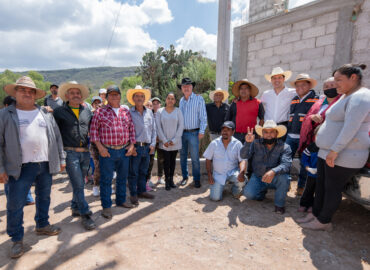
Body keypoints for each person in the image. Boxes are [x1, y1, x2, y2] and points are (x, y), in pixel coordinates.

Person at [298, 64, 370, 231]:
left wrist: (335, 150)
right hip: (327, 152)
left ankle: (324, 221)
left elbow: (350, 128)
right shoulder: (346, 95)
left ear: (353, 78)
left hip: (343, 154)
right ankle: (316, 214)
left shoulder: (361, 97)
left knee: (332, 188)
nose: (336, 84)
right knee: (321, 185)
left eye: (339, 80)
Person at [0, 76, 64, 258]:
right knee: (15, 204)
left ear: (36, 95)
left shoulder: (45, 113)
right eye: (23, 90)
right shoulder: (5, 115)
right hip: (19, 167)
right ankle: (16, 239)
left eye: (31, 91)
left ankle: (42, 224)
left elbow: (57, 137)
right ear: (15, 93)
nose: (27, 93)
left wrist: (61, 158)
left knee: (44, 197)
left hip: (44, 164)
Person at [53, 81, 96, 230]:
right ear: (66, 96)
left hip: (85, 152)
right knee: (78, 183)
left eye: (78, 93)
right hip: (69, 153)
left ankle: (74, 206)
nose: (75, 95)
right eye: (72, 93)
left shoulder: (86, 111)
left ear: (81, 96)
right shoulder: (58, 112)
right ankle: (85, 214)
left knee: (80, 183)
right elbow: (54, 134)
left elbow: (92, 128)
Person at [90, 85, 136, 218]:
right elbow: (93, 132)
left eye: (116, 94)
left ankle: (121, 200)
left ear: (120, 96)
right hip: (107, 151)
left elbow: (131, 129)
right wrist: (100, 148)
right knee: (106, 179)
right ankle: (106, 206)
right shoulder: (100, 112)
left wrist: (132, 145)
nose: (114, 97)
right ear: (107, 97)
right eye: (111, 95)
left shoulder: (125, 111)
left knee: (122, 178)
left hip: (124, 151)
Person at [240, 120, 292, 214]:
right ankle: (261, 193)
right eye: (266, 132)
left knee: (284, 178)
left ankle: (279, 205)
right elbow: (244, 156)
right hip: (258, 177)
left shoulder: (285, 147)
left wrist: (273, 171)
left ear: (277, 133)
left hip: (275, 177)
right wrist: (247, 143)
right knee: (249, 194)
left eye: (272, 132)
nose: (269, 135)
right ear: (262, 134)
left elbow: (286, 164)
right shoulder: (255, 143)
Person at [286, 74, 319, 196]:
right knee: (286, 159)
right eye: (298, 85)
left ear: (309, 85)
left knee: (304, 161)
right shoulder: (294, 99)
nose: (300, 87)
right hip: (291, 135)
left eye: (303, 85)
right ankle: (287, 182)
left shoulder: (316, 99)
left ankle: (301, 186)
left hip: (305, 137)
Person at [2, 96, 35, 205]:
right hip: (9, 157)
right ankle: (12, 201)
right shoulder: (3, 116)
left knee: (24, 178)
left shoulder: (19, 115)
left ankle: (27, 199)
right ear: (7, 106)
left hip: (22, 155)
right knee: (10, 181)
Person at [127, 85, 156, 205]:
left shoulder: (149, 112)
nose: (139, 98)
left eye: (141, 96)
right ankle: (133, 194)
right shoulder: (129, 113)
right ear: (133, 98)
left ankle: (142, 191)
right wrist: (131, 146)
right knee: (133, 172)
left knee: (144, 171)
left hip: (147, 146)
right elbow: (126, 130)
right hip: (136, 147)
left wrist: (153, 144)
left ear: (144, 99)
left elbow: (154, 130)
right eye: (137, 96)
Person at [203, 121, 246, 201]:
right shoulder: (214, 143)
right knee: (215, 198)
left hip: (232, 172)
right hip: (219, 175)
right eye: (223, 130)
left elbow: (242, 160)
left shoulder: (238, 144)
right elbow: (208, 159)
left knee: (242, 180)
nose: (225, 132)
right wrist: (209, 175)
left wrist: (242, 172)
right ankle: (219, 187)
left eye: (228, 130)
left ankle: (235, 189)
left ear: (233, 132)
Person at [298, 77, 341, 154]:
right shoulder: (318, 103)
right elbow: (307, 117)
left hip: (332, 143)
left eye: (332, 85)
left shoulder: (342, 102)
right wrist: (312, 117)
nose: (329, 88)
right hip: (314, 141)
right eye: (326, 87)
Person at [179, 78, 207, 188]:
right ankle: (185, 177)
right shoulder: (181, 101)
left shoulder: (199, 99)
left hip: (194, 133)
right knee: (182, 156)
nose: (186, 88)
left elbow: (203, 117)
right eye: (184, 86)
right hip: (182, 133)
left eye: (188, 86)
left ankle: (196, 179)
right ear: (181, 88)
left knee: (195, 157)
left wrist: (202, 131)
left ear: (192, 87)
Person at [156, 93, 184, 190]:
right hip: (165, 143)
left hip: (175, 142)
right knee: (166, 162)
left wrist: (174, 140)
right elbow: (158, 127)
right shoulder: (160, 111)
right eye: (169, 98)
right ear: (166, 100)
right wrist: (164, 140)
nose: (170, 100)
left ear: (175, 101)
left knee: (172, 161)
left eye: (172, 99)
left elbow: (181, 126)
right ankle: (167, 181)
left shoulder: (178, 111)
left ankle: (171, 180)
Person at [261, 67, 296, 139]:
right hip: (268, 127)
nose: (277, 80)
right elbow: (259, 105)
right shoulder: (266, 94)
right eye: (274, 78)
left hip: (283, 126)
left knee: (281, 149)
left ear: (284, 79)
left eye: (279, 77)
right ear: (271, 80)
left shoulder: (292, 92)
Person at [226, 79, 264, 143]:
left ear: (250, 90)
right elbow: (228, 119)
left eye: (246, 88)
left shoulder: (258, 102)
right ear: (239, 91)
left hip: (251, 135)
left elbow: (262, 119)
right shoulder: (234, 103)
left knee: (250, 153)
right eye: (241, 89)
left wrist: (259, 133)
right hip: (236, 135)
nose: (243, 90)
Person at [147, 97, 165, 186]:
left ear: (160, 105)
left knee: (161, 160)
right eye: (154, 103)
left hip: (161, 141)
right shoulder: (149, 114)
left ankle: (159, 178)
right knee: (150, 161)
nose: (155, 105)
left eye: (157, 103)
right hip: (152, 142)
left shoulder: (163, 114)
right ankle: (148, 179)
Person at [298, 141, 319, 213]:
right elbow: (305, 157)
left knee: (319, 191)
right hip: (312, 173)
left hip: (323, 175)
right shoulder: (312, 146)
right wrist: (308, 167)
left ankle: (314, 206)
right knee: (308, 189)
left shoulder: (330, 147)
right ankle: (304, 204)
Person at [89, 96, 103, 197]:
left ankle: (106, 186)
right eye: (95, 103)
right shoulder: (90, 115)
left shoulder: (105, 114)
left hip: (106, 144)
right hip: (94, 145)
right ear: (92, 104)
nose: (97, 104)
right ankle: (96, 186)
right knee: (98, 166)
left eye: (99, 102)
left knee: (107, 167)